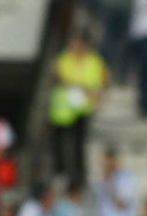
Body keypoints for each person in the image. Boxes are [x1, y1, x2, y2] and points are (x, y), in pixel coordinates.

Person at [51, 33, 109, 192]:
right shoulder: (65, 59)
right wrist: (81, 87)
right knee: (59, 142)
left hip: (83, 107)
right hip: (64, 108)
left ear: (84, 45)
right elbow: (59, 76)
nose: (73, 47)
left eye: (75, 44)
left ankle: (79, 176)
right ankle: (61, 172)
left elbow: (104, 78)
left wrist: (98, 94)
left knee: (78, 143)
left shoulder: (95, 61)